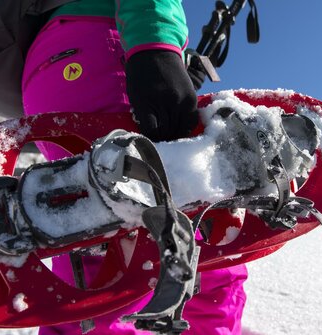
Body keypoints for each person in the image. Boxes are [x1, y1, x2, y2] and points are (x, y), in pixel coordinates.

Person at [19, 1, 247, 334]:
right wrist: (155, 43)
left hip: (44, 77)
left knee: (91, 240)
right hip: (106, 45)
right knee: (200, 231)